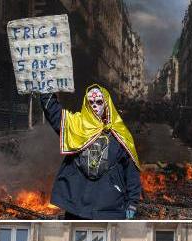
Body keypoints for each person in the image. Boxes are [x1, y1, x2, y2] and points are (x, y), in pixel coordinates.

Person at [37, 85, 142, 219]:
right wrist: (44, 88)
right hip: (77, 207)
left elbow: (131, 171)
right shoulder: (76, 127)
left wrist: (132, 203)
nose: (94, 106)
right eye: (90, 102)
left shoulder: (120, 134)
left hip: (109, 209)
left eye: (98, 102)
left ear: (106, 104)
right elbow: (53, 111)